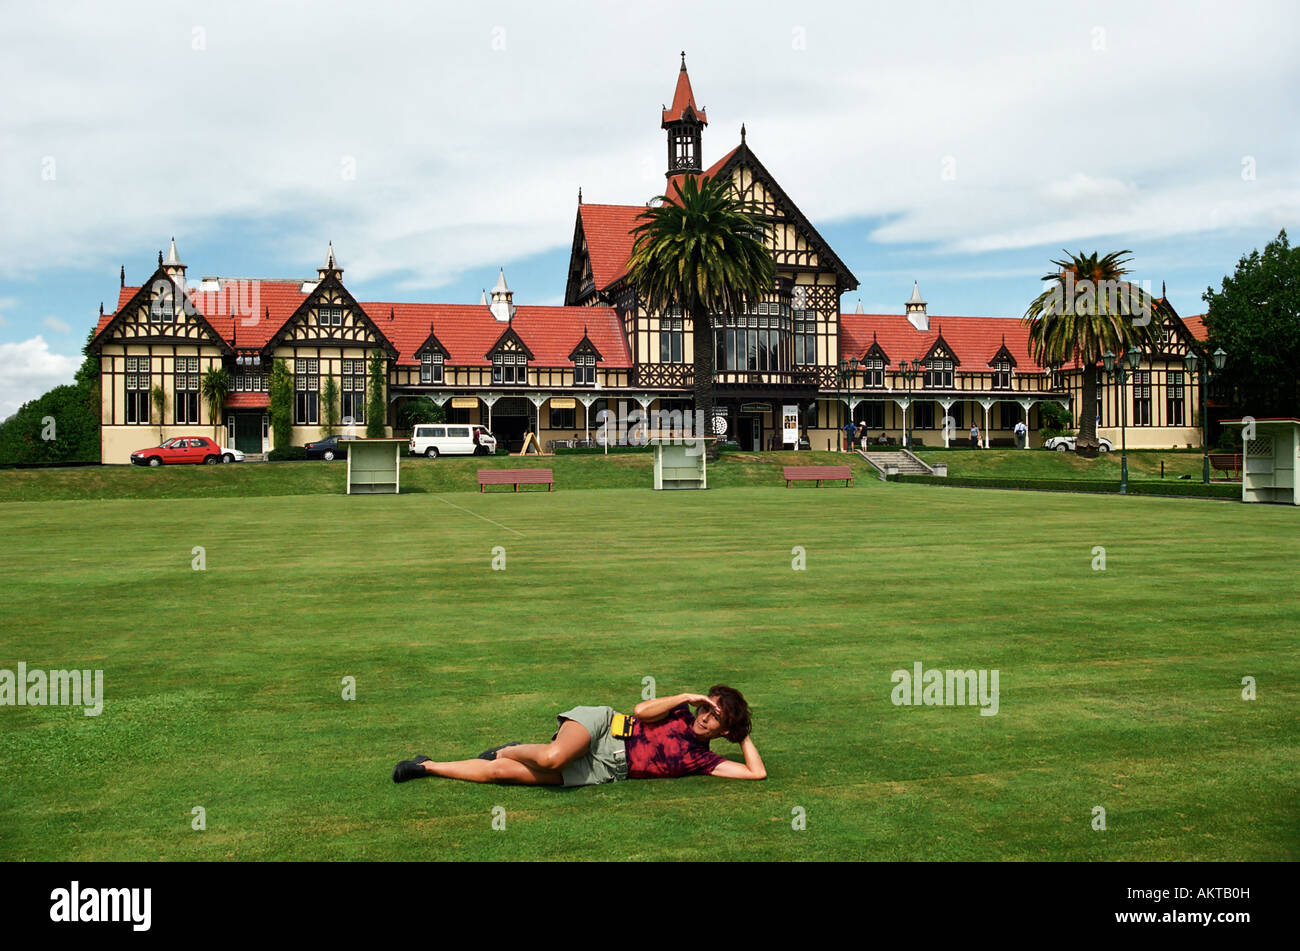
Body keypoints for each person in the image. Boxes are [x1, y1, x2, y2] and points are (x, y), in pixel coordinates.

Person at [393, 686, 766, 786]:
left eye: (716, 717)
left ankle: (426, 766)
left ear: (724, 730)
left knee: (502, 772)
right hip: (602, 728)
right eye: (707, 707)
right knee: (552, 757)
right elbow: (640, 711)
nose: (705, 717)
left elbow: (756, 774)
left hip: (606, 769)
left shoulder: (705, 760)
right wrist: (687, 696)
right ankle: (509, 748)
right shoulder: (681, 711)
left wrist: (742, 734)